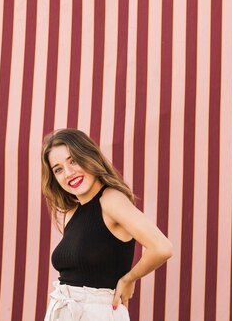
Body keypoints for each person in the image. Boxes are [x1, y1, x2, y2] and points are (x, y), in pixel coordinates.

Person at [41, 128, 173, 320]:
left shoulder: (111, 200)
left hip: (98, 312)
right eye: (58, 169)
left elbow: (162, 247)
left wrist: (129, 278)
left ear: (90, 156)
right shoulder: (72, 212)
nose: (68, 173)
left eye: (74, 160)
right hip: (63, 310)